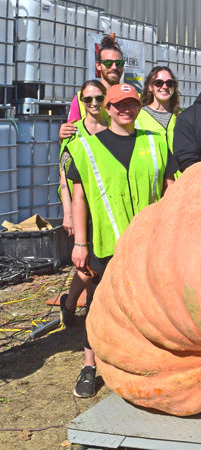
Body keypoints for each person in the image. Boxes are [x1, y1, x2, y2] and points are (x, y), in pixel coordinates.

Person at [64, 83, 177, 397]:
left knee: (149, 307)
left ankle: (143, 363)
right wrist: (80, 244)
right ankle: (89, 367)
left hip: (149, 246)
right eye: (118, 104)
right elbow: (79, 199)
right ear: (107, 108)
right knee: (99, 308)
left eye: (131, 104)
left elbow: (171, 190)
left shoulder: (156, 143)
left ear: (139, 107)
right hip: (106, 245)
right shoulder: (86, 148)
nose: (125, 110)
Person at [57, 80, 108, 328]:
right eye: (88, 100)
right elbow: (64, 177)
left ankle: (90, 311)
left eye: (99, 98)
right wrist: (67, 213)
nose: (95, 104)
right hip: (81, 206)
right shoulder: (73, 132)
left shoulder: (114, 126)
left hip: (105, 203)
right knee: (86, 267)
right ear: (82, 103)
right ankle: (70, 304)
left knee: (98, 265)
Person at [60, 34, 123, 139]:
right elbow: (70, 139)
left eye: (119, 63)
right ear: (98, 65)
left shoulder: (134, 98)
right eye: (108, 63)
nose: (114, 67)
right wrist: (63, 135)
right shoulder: (81, 98)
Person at [137, 66, 181, 148]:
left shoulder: (181, 115)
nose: (164, 87)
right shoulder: (138, 116)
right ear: (150, 87)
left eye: (169, 83)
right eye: (158, 83)